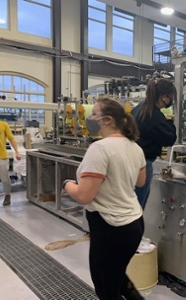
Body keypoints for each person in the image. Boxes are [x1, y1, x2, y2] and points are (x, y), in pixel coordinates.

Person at [62, 96, 146, 300]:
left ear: (107, 120)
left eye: (93, 114)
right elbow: (140, 182)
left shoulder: (100, 148)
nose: (88, 118)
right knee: (118, 278)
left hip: (110, 228)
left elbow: (84, 195)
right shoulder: (135, 147)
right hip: (133, 224)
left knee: (106, 289)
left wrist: (67, 185)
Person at [131, 78, 177, 210]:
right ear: (163, 97)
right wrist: (170, 122)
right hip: (144, 164)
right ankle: (134, 230)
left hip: (133, 160)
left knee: (132, 203)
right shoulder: (154, 115)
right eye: (171, 97)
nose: (171, 100)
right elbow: (169, 139)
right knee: (138, 206)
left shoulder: (139, 108)